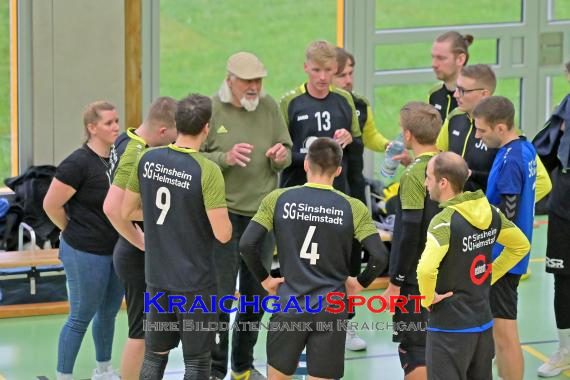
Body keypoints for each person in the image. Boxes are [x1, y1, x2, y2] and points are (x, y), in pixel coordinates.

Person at [239, 137, 389, 380]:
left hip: (290, 304)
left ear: (306, 164)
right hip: (331, 308)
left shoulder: (277, 199)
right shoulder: (353, 207)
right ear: (338, 170)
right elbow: (379, 256)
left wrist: (266, 280)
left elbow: (247, 245)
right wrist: (358, 283)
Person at [122, 94, 232, 379]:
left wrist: (170, 218)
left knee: (154, 356)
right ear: (206, 127)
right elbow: (222, 234)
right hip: (195, 284)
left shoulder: (148, 158)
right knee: (196, 361)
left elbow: (127, 210)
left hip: (157, 279)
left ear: (176, 123)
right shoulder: (207, 170)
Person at [201, 51, 293, 380]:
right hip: (223, 216)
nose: (254, 86)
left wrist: (280, 156)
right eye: (247, 81)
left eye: (258, 80)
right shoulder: (211, 110)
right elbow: (196, 158)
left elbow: (286, 150)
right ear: (230, 81)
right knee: (222, 297)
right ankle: (214, 369)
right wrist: (225, 157)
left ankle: (242, 366)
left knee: (255, 298)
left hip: (262, 218)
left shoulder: (269, 108)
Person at [417, 151, 530, 380]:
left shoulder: (444, 221)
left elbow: (425, 270)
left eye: (428, 177)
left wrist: (427, 298)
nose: (425, 183)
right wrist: (490, 274)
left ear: (443, 182)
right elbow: (521, 246)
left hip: (449, 327)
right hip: (482, 323)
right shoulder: (490, 212)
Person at [43, 101, 123, 380]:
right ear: (92, 128)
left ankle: (103, 370)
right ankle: (63, 375)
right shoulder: (77, 163)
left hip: (115, 250)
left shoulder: (117, 157)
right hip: (84, 250)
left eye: (116, 121)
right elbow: (51, 205)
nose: (116, 127)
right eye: (108, 123)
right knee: (81, 316)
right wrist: (71, 229)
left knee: (108, 313)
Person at [103, 96, 178, 380]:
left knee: (151, 330)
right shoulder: (135, 153)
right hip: (134, 254)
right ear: (162, 131)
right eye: (173, 136)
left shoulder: (129, 138)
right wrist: (142, 243)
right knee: (142, 331)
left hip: (134, 250)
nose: (175, 142)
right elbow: (112, 208)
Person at [473, 96, 538, 380]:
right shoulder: (524, 148)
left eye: (481, 130)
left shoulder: (511, 160)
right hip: (510, 256)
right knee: (500, 332)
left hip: (502, 259)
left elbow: (507, 214)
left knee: (504, 335)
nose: (477, 136)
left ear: (500, 127)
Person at [332, 46, 390, 351]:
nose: (348, 79)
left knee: (353, 260)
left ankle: (347, 326)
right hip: (327, 198)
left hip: (355, 196)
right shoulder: (323, 106)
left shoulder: (360, 105)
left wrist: (391, 145)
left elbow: (371, 137)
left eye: (351, 73)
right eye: (342, 74)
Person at [382, 102, 442, 380]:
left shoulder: (414, 177)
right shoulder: (451, 165)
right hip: (450, 276)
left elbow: (409, 231)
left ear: (407, 136)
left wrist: (396, 281)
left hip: (417, 282)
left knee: (415, 351)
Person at [280, 40, 360, 192]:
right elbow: (282, 151)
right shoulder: (289, 102)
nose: (322, 77)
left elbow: (357, 144)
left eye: (328, 70)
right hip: (298, 189)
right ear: (306, 67)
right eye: (316, 70)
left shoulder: (345, 99)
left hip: (336, 191)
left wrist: (349, 138)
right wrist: (314, 160)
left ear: (335, 68)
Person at [532, 60, 570, 377]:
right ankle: (566, 350)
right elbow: (539, 151)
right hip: (564, 203)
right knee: (563, 277)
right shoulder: (565, 109)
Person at [435, 64, 498, 192]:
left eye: (462, 90)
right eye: (456, 88)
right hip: (451, 208)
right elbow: (436, 158)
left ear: (484, 94)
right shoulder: (453, 118)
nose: (456, 95)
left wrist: (498, 207)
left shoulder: (502, 130)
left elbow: (541, 182)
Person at [429, 31, 473, 121]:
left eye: (441, 58)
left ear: (460, 59)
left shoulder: (475, 98)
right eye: (433, 57)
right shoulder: (434, 94)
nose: (434, 64)